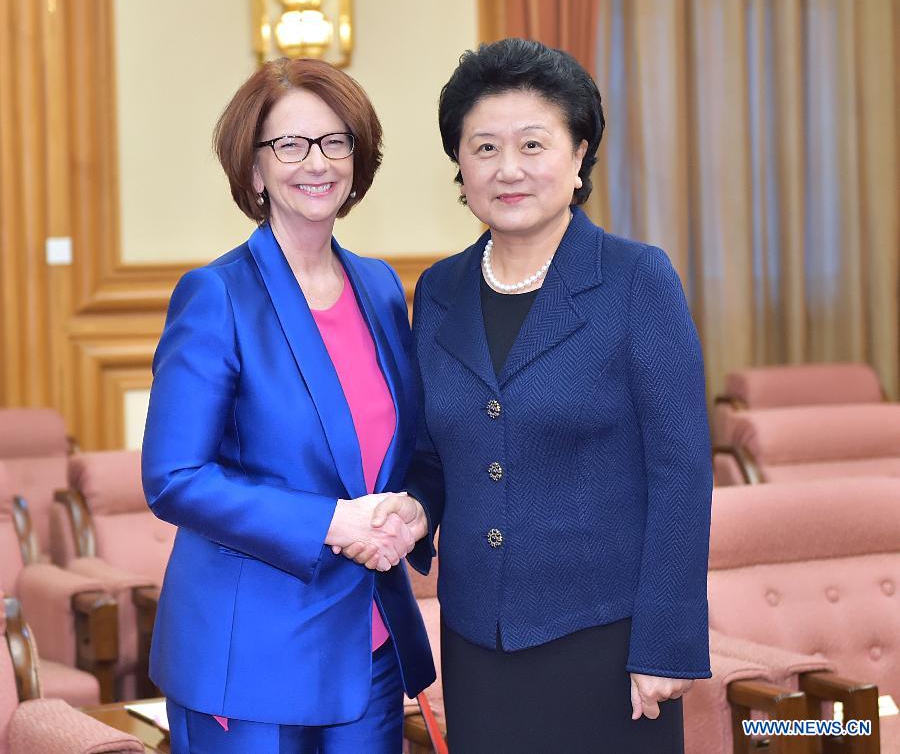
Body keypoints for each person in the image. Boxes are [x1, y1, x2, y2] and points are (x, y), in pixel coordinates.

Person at [361, 38, 713, 753]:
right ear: (459, 163)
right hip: (477, 641)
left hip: (607, 643)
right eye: (484, 147)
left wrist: (665, 646)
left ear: (579, 151)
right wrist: (415, 506)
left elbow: (682, 472)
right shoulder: (439, 290)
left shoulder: (636, 279)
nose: (508, 168)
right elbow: (433, 451)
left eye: (532, 143)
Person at [141, 57, 434, 754]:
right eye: (290, 145)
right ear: (253, 169)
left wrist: (416, 507)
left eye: (337, 142)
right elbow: (174, 476)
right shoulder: (217, 295)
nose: (318, 162)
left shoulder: (381, 287)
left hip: (368, 647)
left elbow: (416, 449)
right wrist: (331, 521)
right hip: (250, 657)